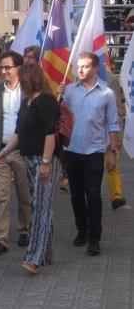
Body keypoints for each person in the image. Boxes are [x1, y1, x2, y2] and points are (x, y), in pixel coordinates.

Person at [0, 64, 61, 274]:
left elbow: (50, 132)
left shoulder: (45, 100)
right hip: (29, 159)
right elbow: (19, 131)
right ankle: (47, 254)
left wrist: (45, 162)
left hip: (45, 161)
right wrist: (5, 151)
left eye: (22, 79)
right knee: (41, 206)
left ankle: (34, 256)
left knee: (41, 208)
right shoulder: (27, 102)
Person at [58, 52, 121, 256]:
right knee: (76, 194)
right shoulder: (69, 90)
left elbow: (112, 123)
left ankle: (95, 237)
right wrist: (57, 96)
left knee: (93, 194)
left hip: (94, 151)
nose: (80, 70)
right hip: (72, 151)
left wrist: (114, 151)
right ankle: (81, 231)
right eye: (78, 66)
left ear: (95, 68)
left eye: (85, 66)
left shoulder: (106, 94)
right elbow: (57, 115)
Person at [0, 51, 32, 257]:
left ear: (18, 68)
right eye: (1, 67)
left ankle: (25, 229)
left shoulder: (28, 91)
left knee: (24, 195)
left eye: (8, 67)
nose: (3, 71)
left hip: (22, 152)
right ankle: (0, 239)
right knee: (1, 197)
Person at [105, 69, 127, 210]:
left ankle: (116, 196)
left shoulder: (111, 78)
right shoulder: (112, 78)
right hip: (104, 129)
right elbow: (121, 107)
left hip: (107, 128)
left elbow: (120, 107)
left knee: (111, 162)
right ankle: (115, 196)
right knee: (111, 163)